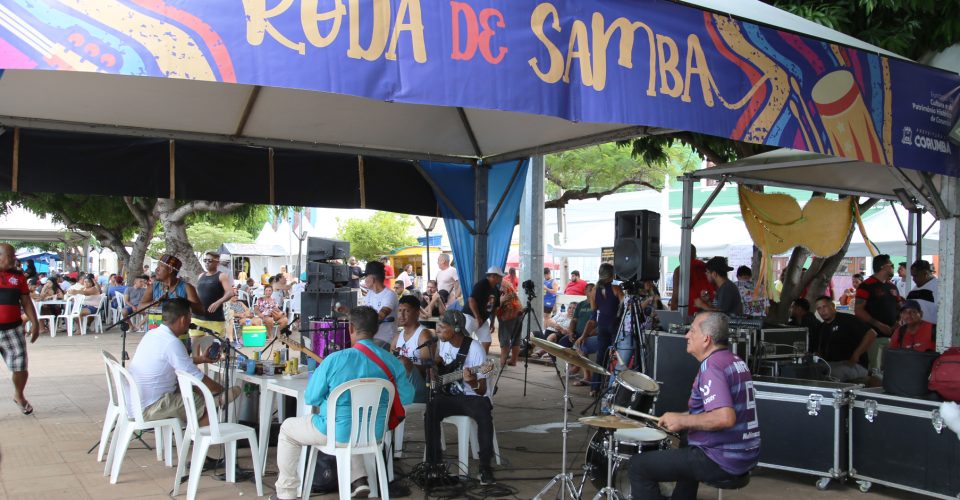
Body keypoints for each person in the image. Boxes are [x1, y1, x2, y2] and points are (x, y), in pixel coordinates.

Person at [273, 306, 414, 500]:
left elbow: (311, 398)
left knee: (288, 429)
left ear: (351, 328)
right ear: (375, 330)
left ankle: (286, 494)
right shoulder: (393, 361)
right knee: (352, 425)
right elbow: (407, 397)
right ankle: (359, 481)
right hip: (374, 432)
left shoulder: (335, 360)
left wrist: (331, 398)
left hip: (336, 432)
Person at [628, 312, 760, 499]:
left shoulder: (712, 367)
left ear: (706, 339)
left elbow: (725, 417)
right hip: (745, 454)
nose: (686, 335)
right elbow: (715, 409)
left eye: (692, 331)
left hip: (723, 459)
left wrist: (683, 420)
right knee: (687, 439)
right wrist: (682, 419)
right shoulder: (734, 360)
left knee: (638, 466)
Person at [127, 298, 227, 427]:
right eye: (190, 317)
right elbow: (195, 377)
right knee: (199, 402)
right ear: (183, 319)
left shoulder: (152, 334)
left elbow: (174, 362)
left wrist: (201, 359)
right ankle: (204, 441)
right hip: (149, 408)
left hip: (135, 404)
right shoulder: (172, 343)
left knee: (192, 392)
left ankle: (196, 435)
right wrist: (221, 390)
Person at [424, 310, 497, 485]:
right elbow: (442, 366)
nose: (438, 329)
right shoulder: (444, 343)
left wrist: (471, 381)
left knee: (484, 414)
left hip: (473, 397)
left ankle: (485, 467)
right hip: (450, 395)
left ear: (456, 329)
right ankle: (435, 464)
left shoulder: (475, 349)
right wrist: (435, 371)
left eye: (443, 326)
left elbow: (482, 390)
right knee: (431, 409)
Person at [0, 243, 40, 415]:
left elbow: (25, 301)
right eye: (11, 256)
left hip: (13, 329)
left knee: (20, 367)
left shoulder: (19, 277)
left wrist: (35, 322)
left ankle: (19, 395)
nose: (14, 259)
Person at [140, 254, 205, 346]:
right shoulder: (152, 287)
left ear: (170, 270)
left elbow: (201, 311)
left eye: (160, 266)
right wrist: (155, 303)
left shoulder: (187, 288)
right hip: (156, 333)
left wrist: (182, 301)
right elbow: (139, 308)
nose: (156, 269)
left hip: (178, 337)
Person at [578, 263, 622, 394]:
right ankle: (612, 389)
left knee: (601, 357)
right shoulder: (616, 288)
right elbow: (625, 304)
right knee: (616, 356)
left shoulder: (594, 290)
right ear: (612, 274)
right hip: (615, 324)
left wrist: (584, 335)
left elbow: (593, 312)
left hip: (602, 324)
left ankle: (594, 388)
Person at [814, 296, 878, 383]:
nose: (822, 311)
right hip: (831, 365)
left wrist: (857, 354)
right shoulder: (822, 328)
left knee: (833, 375)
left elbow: (871, 334)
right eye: (819, 308)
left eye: (824, 306)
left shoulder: (847, 319)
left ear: (832, 306)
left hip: (853, 364)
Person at [394, 295, 432, 403]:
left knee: (403, 362)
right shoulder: (397, 338)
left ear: (417, 313)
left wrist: (407, 365)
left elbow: (428, 369)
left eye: (406, 311)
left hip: (419, 386)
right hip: (401, 384)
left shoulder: (423, 335)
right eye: (399, 310)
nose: (401, 315)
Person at [194, 251, 235, 349]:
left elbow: (230, 292)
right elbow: (197, 293)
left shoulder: (221, 276)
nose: (207, 263)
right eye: (205, 260)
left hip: (214, 318)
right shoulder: (201, 276)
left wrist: (218, 302)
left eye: (210, 260)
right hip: (197, 317)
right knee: (195, 347)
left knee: (211, 350)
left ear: (217, 262)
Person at [854, 254, 901, 338]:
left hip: (893, 334)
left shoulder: (892, 286)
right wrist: (879, 325)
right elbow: (858, 310)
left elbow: (899, 306)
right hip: (874, 335)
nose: (894, 268)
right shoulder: (866, 286)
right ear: (883, 267)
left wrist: (898, 321)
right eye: (892, 265)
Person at [464, 266, 503, 353]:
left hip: (482, 319)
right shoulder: (482, 284)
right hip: (470, 316)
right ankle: (461, 361)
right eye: (500, 276)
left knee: (486, 341)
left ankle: (481, 361)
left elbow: (495, 308)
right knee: (463, 339)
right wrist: (477, 317)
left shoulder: (496, 290)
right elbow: (471, 300)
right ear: (494, 276)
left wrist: (492, 323)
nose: (501, 278)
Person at [669, 245, 715, 316]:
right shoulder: (705, 267)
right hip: (707, 313)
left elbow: (676, 296)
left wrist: (673, 317)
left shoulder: (680, 270)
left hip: (687, 313)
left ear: (682, 254)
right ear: (695, 255)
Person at [362, 261, 398, 348]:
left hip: (385, 340)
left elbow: (381, 316)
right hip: (371, 339)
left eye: (366, 276)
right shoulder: (369, 293)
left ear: (372, 278)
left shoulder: (389, 295)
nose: (364, 279)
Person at [496, 276, 522, 367]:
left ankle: (503, 362)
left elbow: (499, 301)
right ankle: (513, 360)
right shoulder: (506, 282)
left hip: (508, 313)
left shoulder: (498, 285)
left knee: (504, 338)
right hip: (518, 310)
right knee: (516, 337)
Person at [906, 260, 938, 324]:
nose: (913, 279)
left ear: (925, 273)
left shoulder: (939, 287)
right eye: (912, 276)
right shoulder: (913, 291)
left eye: (916, 276)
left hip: (932, 331)